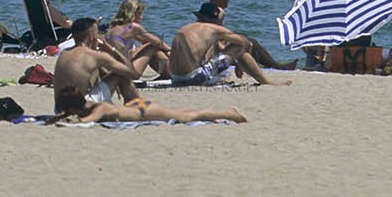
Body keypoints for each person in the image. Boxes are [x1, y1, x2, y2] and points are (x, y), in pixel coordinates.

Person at [169, 3, 292, 88]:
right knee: (239, 47)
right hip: (193, 79)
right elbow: (246, 43)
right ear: (215, 19)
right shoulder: (214, 29)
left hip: (175, 78)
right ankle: (266, 82)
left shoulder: (186, 28)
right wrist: (239, 63)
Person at [207, 0, 297, 70]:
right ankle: (278, 66)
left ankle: (272, 65)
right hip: (215, 55)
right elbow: (216, 39)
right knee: (251, 43)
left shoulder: (206, 11)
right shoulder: (219, 12)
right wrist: (231, 55)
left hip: (208, 54)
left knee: (246, 40)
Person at [53, 17, 138, 108]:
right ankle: (137, 108)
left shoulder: (64, 53)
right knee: (121, 75)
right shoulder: (95, 56)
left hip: (59, 108)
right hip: (81, 107)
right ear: (91, 37)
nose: (99, 36)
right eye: (97, 33)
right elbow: (132, 73)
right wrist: (112, 50)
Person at [55, 85, 248, 124]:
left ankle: (230, 114)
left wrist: (67, 121)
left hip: (144, 110)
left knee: (191, 116)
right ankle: (228, 113)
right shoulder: (91, 103)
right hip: (138, 105)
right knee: (184, 111)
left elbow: (87, 122)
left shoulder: (100, 108)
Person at [104, 0, 171, 78]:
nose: (141, 17)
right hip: (127, 72)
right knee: (152, 47)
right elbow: (157, 42)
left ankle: (167, 73)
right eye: (139, 13)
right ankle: (170, 73)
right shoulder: (133, 27)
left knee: (151, 46)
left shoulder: (113, 26)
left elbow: (144, 41)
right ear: (131, 13)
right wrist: (170, 51)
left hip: (115, 69)